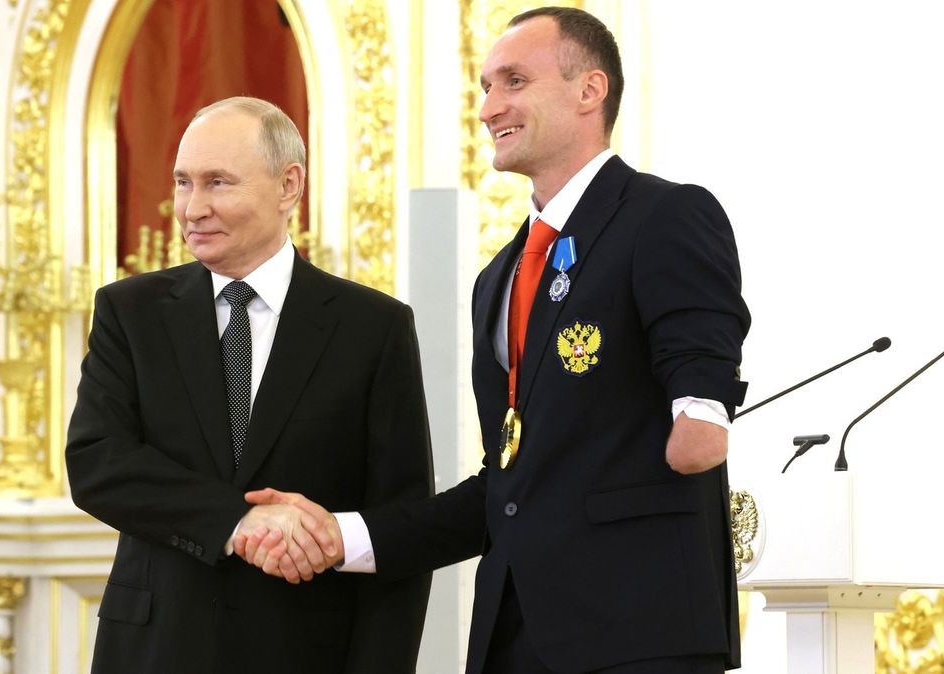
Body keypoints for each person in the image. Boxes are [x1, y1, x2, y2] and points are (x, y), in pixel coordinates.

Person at [236, 8, 751, 674]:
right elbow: (506, 487)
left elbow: (700, 367)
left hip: (638, 635)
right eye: (485, 87)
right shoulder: (499, 277)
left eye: (513, 81)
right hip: (513, 636)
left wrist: (701, 408)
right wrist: (343, 536)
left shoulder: (664, 215)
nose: (487, 108)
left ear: (589, 89)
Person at [66, 96, 434, 673]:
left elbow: (400, 525)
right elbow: (97, 463)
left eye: (218, 182)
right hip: (156, 650)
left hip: (307, 653)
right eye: (183, 183)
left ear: (289, 186)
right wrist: (236, 520)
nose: (193, 208)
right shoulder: (130, 312)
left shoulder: (374, 327)